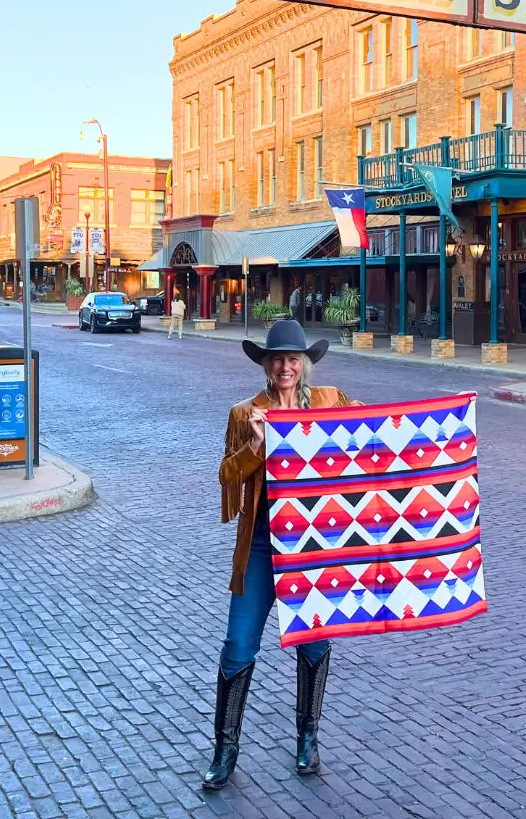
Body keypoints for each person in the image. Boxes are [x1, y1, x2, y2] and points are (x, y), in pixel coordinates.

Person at [202, 319, 358, 791]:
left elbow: (365, 441)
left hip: (313, 548)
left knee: (314, 642)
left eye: (294, 359)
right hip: (260, 546)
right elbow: (227, 477)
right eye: (277, 360)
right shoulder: (245, 412)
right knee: (238, 644)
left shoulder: (330, 402)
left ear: (304, 364)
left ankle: (308, 739)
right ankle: (225, 750)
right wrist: (257, 444)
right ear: (267, 367)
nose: (286, 367)